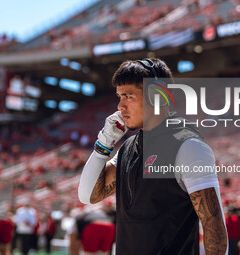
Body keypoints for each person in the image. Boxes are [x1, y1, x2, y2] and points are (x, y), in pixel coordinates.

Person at [78, 58, 228, 254]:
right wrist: (104, 143)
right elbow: (87, 196)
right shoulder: (128, 148)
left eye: (128, 96)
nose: (120, 106)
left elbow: (213, 225)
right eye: (119, 97)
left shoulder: (188, 146)